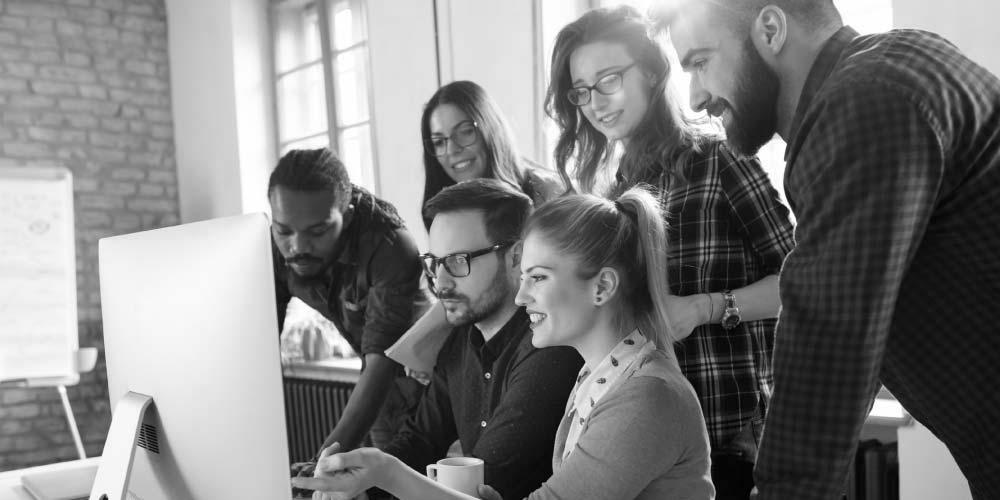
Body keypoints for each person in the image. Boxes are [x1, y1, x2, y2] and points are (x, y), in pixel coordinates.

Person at [656, 1, 1000, 498]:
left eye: (701, 62)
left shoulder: (863, 100)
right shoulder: (895, 65)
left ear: (770, 30)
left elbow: (829, 332)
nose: (694, 97)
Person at [293, 187, 714, 500]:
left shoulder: (645, 397)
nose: (521, 295)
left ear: (602, 286)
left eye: (539, 278)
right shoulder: (602, 376)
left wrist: (384, 471)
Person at [546, 6, 795, 498]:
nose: (594, 102)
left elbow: (801, 280)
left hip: (730, 439)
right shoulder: (609, 192)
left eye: (609, 79)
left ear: (655, 72)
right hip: (638, 438)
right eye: (581, 90)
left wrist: (705, 308)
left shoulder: (720, 161)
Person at [356, 179, 584, 499]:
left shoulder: (549, 348)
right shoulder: (460, 340)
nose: (441, 282)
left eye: (458, 260)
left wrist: (380, 478)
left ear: (516, 257)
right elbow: (421, 439)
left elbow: (487, 477)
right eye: (435, 263)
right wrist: (358, 485)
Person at [269, 148, 429, 455]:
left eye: (318, 231)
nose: (297, 247)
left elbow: (382, 359)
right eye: (284, 231)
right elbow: (259, 349)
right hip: (380, 391)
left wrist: (325, 457)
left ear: (349, 216)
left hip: (436, 384)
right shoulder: (278, 250)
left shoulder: (390, 246)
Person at [420, 80, 564, 230]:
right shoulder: (445, 217)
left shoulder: (551, 195)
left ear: (490, 127)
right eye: (439, 142)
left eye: (465, 132)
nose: (451, 149)